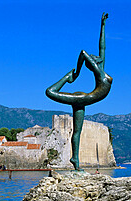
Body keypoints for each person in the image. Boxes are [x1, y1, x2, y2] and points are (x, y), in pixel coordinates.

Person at [46, 13, 112, 171]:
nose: (98, 57)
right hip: (83, 98)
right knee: (50, 92)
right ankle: (67, 76)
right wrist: (76, 74)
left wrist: (103, 25)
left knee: (77, 131)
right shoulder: (98, 71)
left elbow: (102, 46)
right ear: (93, 63)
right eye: (95, 58)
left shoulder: (101, 69)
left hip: (82, 100)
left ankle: (75, 160)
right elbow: (83, 53)